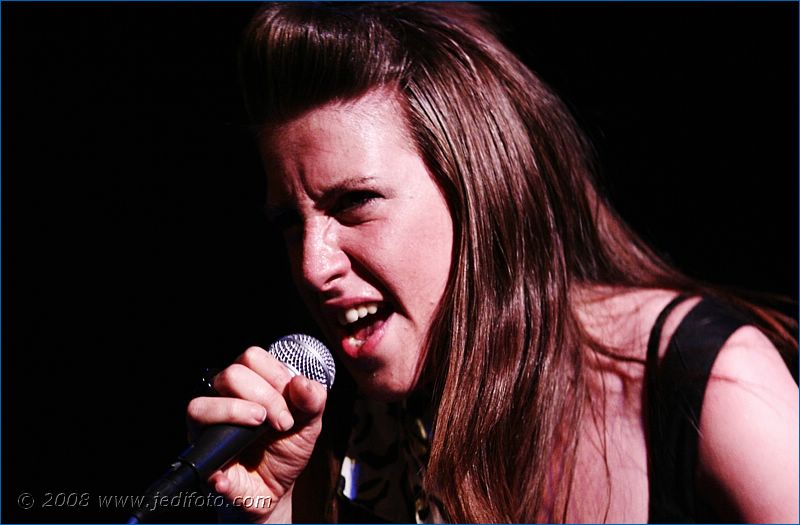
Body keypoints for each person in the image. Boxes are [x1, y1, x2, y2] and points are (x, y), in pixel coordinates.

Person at [186, 3, 798, 523]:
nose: (311, 267)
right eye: (289, 223)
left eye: (354, 203)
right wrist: (272, 513)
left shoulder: (706, 383)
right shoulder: (336, 426)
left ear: (479, 192)